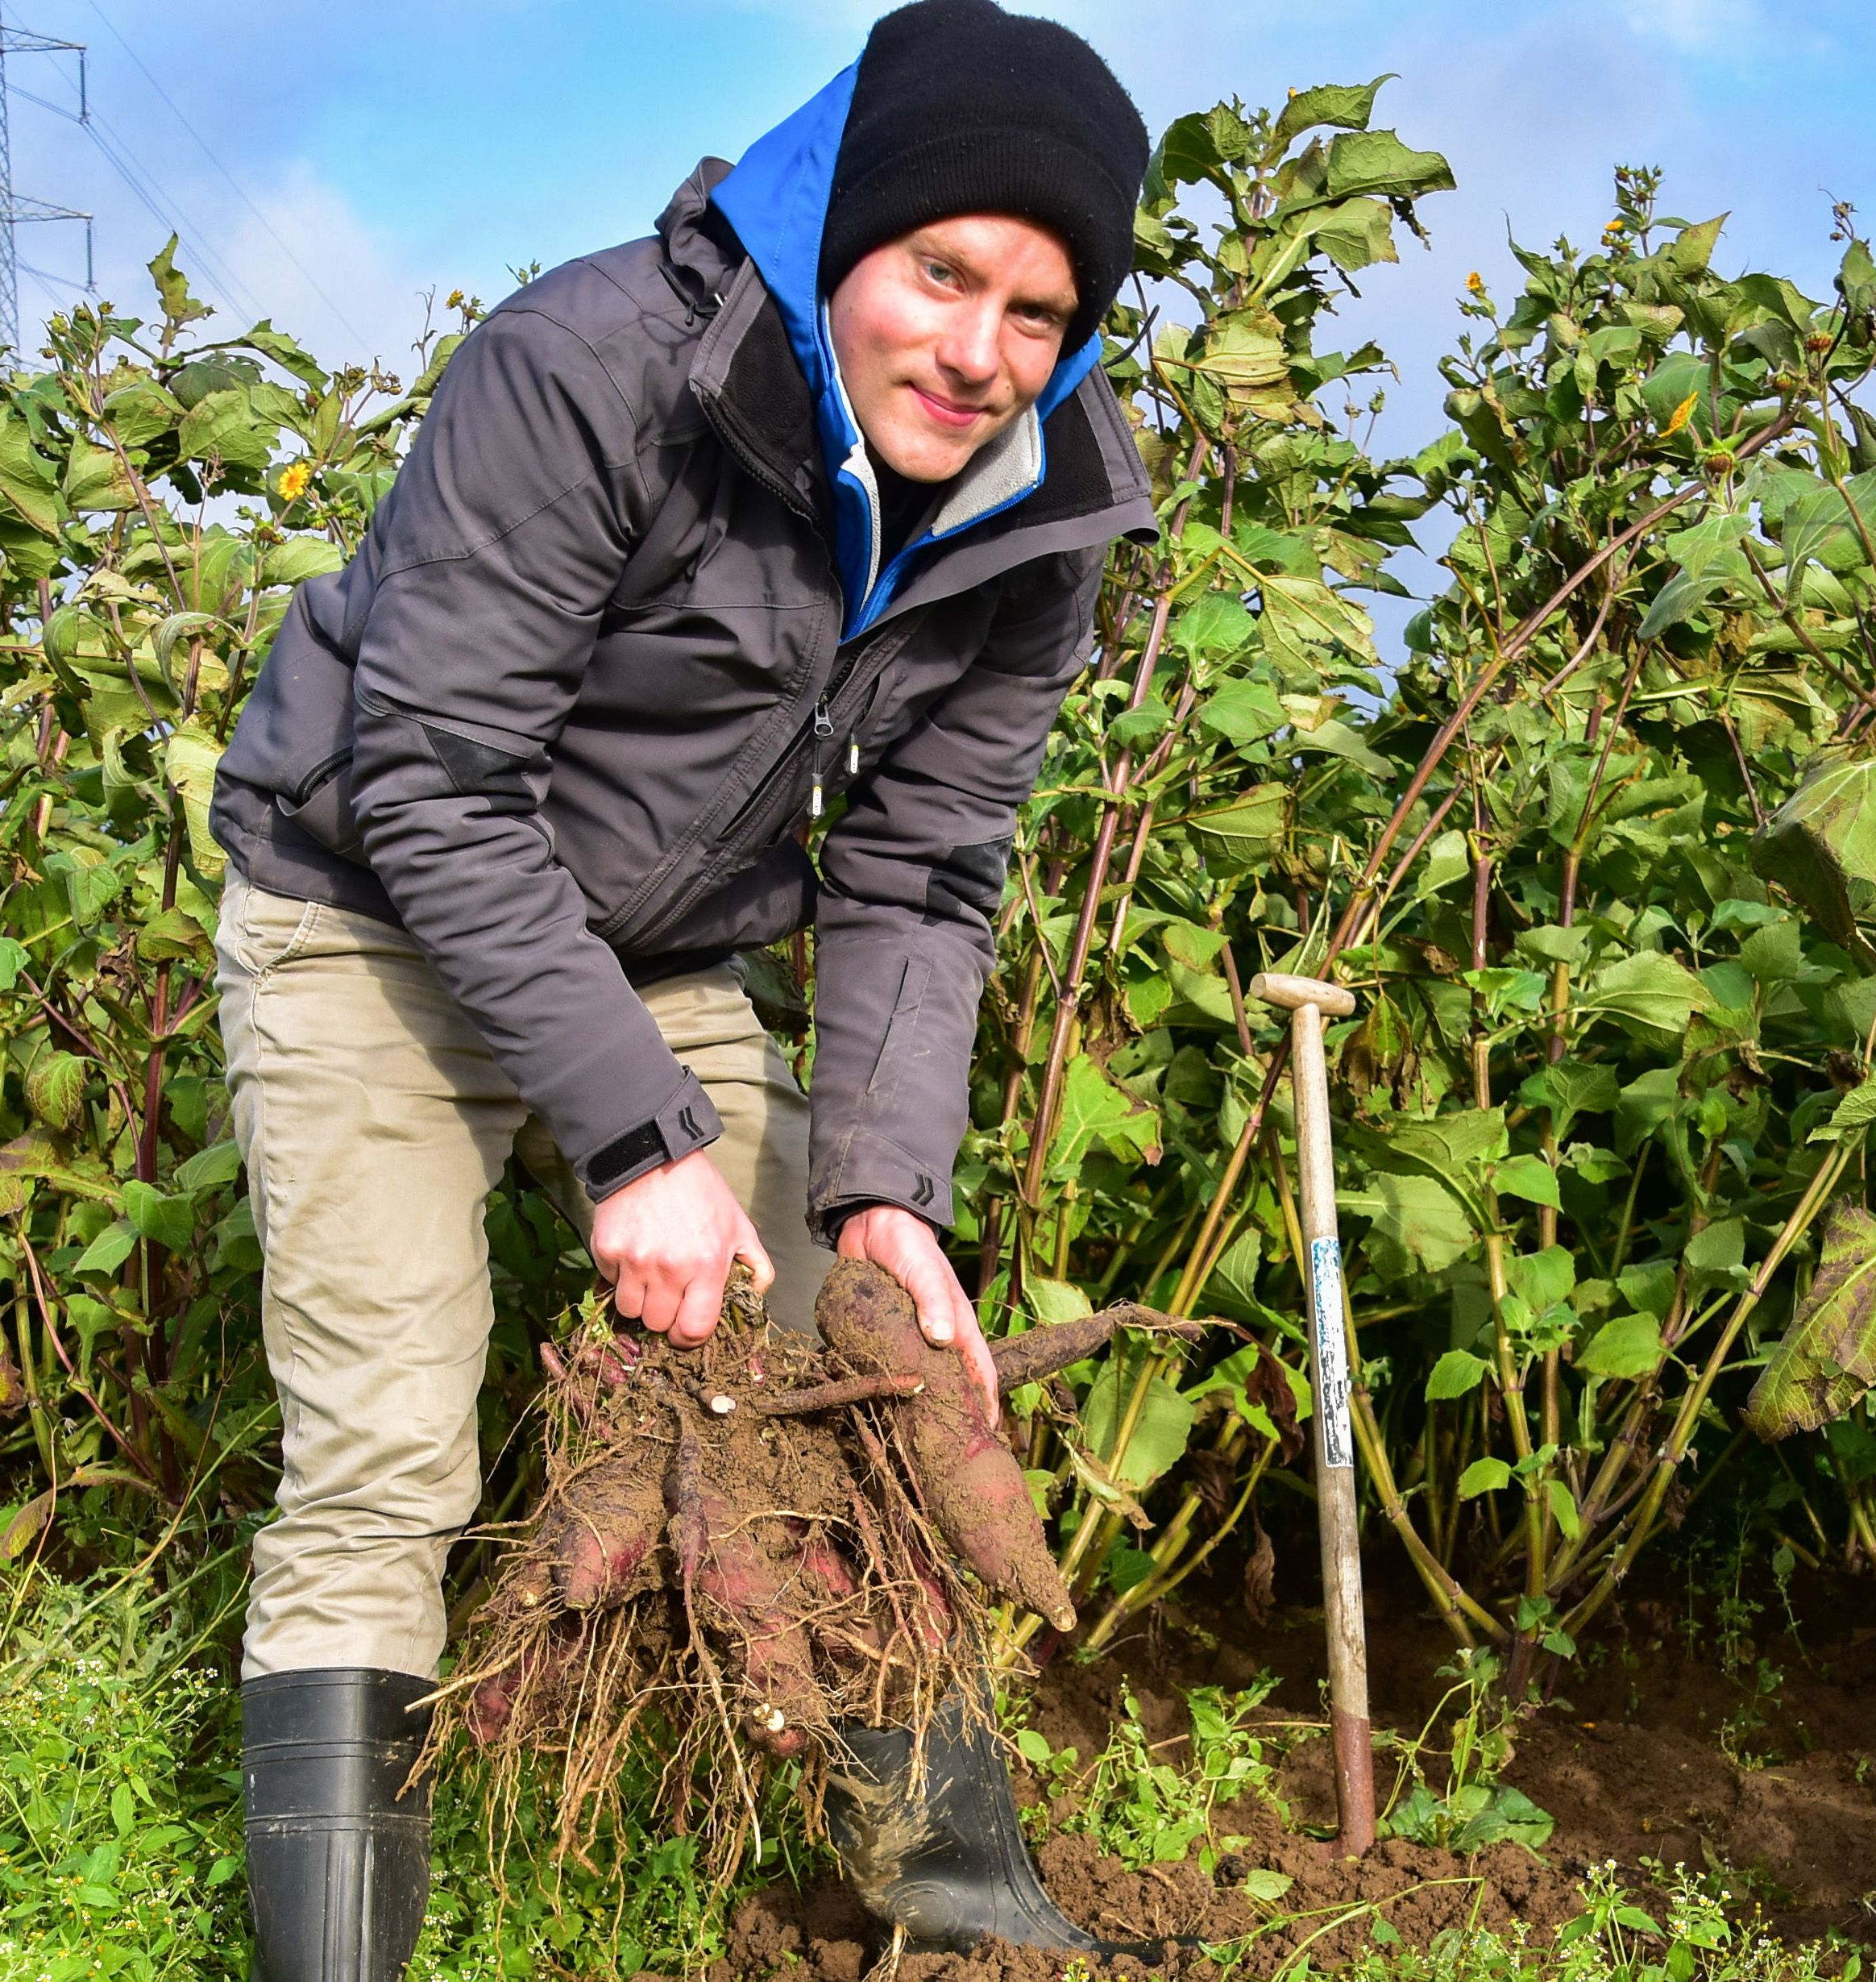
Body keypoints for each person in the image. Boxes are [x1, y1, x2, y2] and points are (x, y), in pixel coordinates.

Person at [203, 6, 1157, 1976]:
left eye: (1037, 312)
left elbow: (923, 867)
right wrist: (641, 1142)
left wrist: (883, 1194)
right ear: (845, 241)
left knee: (865, 1372)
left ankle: (955, 1912)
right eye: (940, 273)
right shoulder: (590, 365)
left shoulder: (1046, 504)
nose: (977, 351)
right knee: (388, 1449)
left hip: (654, 950)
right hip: (367, 919)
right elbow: (434, 781)